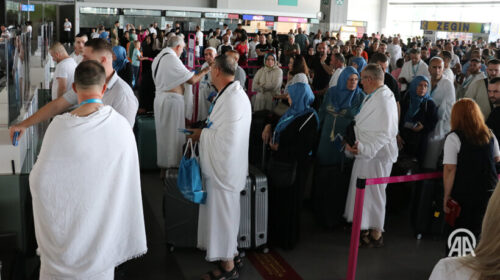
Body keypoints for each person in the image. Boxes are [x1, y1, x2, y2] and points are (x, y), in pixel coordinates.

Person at [29, 61, 147, 279]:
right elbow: (127, 181)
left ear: (74, 88)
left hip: (62, 248)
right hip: (101, 242)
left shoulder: (59, 126)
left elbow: (40, 180)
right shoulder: (121, 126)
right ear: (103, 88)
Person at [185, 54, 251, 280]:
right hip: (224, 168)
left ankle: (228, 267)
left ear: (217, 71)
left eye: (212, 68)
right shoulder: (230, 94)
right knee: (227, 216)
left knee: (223, 217)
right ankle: (230, 254)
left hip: (224, 169)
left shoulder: (233, 99)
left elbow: (228, 140)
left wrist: (201, 135)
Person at [9, 38, 139, 144]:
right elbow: (57, 105)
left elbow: (124, 141)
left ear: (103, 60)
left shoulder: (123, 95)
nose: (82, 61)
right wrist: (24, 124)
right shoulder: (88, 84)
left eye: (87, 58)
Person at [344, 64, 399, 248]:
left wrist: (366, 148)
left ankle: (376, 231)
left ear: (370, 79)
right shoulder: (374, 96)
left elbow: (386, 132)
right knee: (362, 195)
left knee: (375, 195)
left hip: (376, 156)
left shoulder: (384, 99)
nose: (360, 84)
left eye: (362, 79)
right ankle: (363, 227)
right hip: (364, 153)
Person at [261, 82, 319, 249]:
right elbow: (276, 120)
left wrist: (280, 148)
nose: (288, 98)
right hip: (282, 164)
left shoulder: (309, 118)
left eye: (291, 95)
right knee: (279, 202)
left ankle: (287, 240)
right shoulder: (292, 113)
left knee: (290, 204)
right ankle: (276, 236)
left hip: (296, 167)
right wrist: (269, 126)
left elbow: (305, 146)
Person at [442, 98, 500, 242]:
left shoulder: (454, 137)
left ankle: (460, 263)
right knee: (483, 233)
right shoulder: (490, 134)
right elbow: (497, 159)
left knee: (461, 234)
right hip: (489, 191)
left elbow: (450, 169)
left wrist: (446, 196)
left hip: (464, 193)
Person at [314, 67, 365, 227]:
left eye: (356, 80)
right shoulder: (332, 92)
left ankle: (335, 217)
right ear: (343, 79)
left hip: (344, 142)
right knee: (323, 175)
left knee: (339, 178)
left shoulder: (359, 96)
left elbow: (357, 117)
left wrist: (340, 112)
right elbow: (322, 112)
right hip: (326, 140)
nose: (353, 83)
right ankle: (320, 215)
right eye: (350, 79)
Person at [152, 36, 210, 174]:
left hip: (163, 99)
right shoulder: (171, 58)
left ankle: (164, 169)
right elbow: (192, 80)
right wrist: (206, 70)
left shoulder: (160, 56)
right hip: (171, 102)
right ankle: (173, 168)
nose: (182, 51)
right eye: (182, 48)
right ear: (178, 47)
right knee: (173, 136)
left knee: (164, 136)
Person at [429, 183, 500, 280]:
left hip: (461, 198)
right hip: (478, 202)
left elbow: (450, 169)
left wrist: (446, 196)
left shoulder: (449, 271)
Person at [422, 57, 456, 170]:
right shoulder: (425, 80)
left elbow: (449, 108)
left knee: (431, 158)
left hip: (439, 125)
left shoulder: (447, 84)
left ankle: (429, 181)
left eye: (439, 67)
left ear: (443, 69)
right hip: (423, 123)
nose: (437, 70)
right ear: (429, 68)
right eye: (434, 67)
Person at [398, 76, 438, 165]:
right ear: (414, 85)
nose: (423, 88)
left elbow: (433, 122)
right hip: (402, 138)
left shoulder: (429, 104)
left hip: (418, 142)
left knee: (414, 167)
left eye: (425, 86)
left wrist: (423, 127)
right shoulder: (405, 98)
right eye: (419, 85)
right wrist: (397, 134)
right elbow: (397, 117)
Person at [197, 47, 217, 121]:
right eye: (205, 55)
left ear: (216, 55)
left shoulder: (218, 66)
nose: (207, 56)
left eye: (210, 54)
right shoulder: (204, 65)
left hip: (212, 95)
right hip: (203, 93)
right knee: (202, 113)